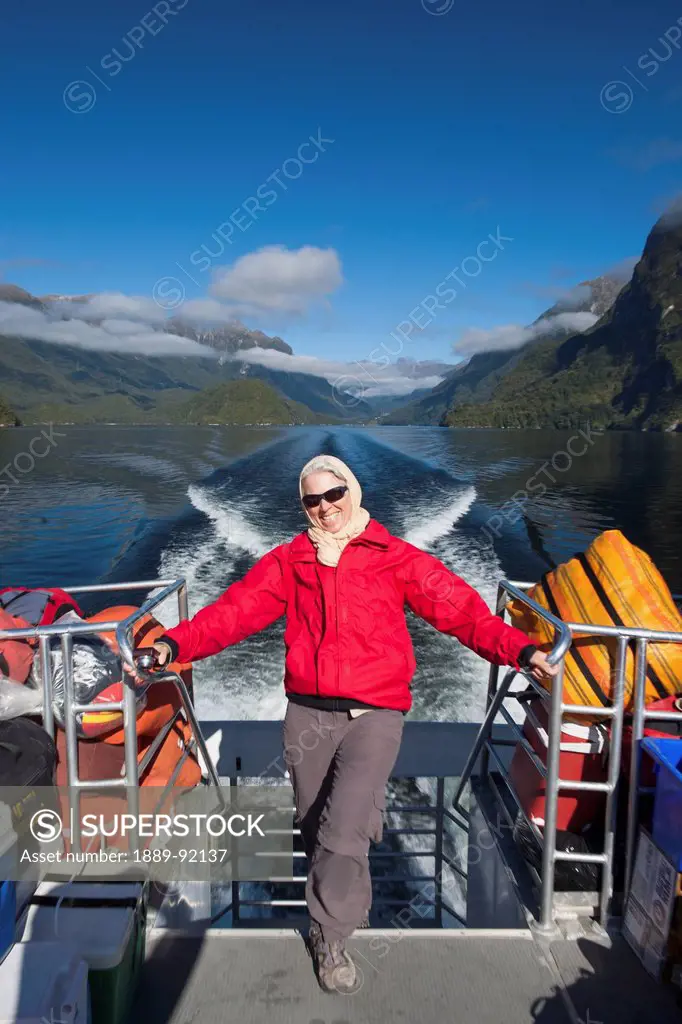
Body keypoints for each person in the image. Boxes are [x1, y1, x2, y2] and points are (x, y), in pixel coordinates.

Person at [136, 454, 557, 993]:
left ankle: (329, 938)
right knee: (317, 826)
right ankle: (348, 869)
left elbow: (463, 612)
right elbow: (233, 613)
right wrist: (173, 644)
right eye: (312, 500)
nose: (325, 507)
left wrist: (519, 650)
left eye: (333, 494)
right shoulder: (291, 562)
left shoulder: (395, 557)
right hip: (308, 713)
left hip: (375, 714)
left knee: (342, 826)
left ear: (352, 492)